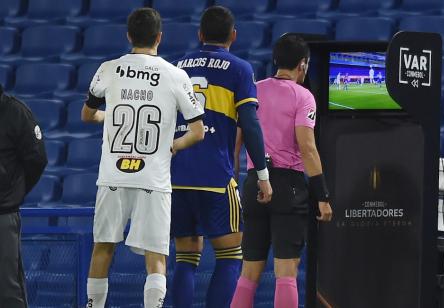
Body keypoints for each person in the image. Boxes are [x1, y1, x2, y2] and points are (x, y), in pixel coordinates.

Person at [82, 8, 205, 308]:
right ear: (160, 37)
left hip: (113, 173)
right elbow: (198, 131)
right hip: (153, 176)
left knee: (103, 248)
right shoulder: (176, 76)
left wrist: (107, 118)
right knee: (156, 256)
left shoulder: (108, 69)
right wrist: (174, 146)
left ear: (128, 36)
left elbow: (87, 114)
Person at [170, 6, 273, 308]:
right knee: (230, 258)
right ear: (233, 35)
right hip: (216, 176)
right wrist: (263, 176)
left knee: (186, 258)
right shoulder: (239, 69)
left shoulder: (176, 68)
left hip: (176, 176)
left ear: (200, 35)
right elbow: (251, 125)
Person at [231, 34, 333, 308]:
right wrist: (322, 195)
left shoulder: (253, 89)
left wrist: (235, 182)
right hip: (288, 187)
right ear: (303, 65)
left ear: (276, 60)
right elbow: (308, 148)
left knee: (249, 271)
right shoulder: (304, 97)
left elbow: (236, 144)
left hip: (254, 184)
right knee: (286, 270)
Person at [0, 84, 48, 308]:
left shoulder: (15, 112)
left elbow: (37, 160)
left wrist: (12, 193)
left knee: (8, 291)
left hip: (2, 215)